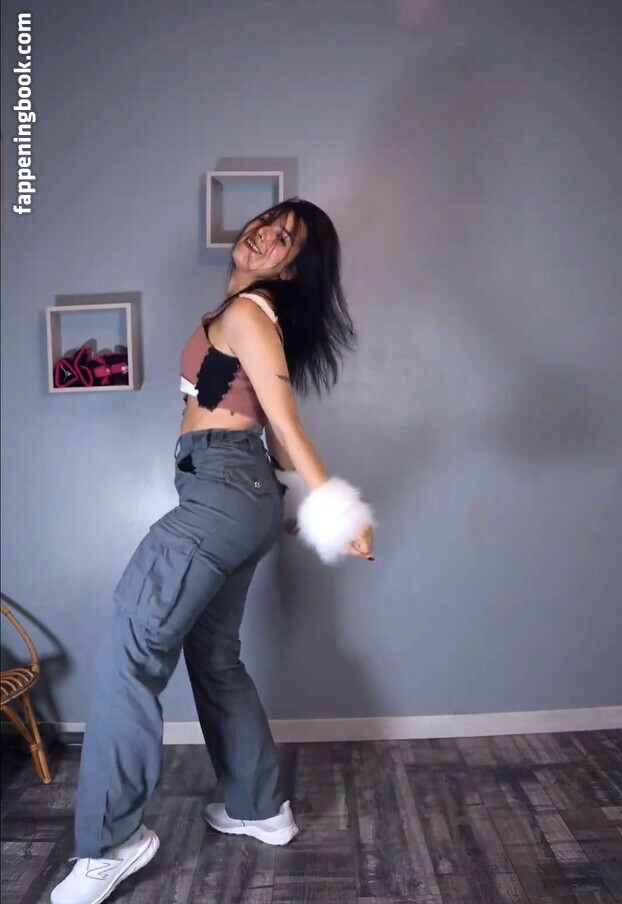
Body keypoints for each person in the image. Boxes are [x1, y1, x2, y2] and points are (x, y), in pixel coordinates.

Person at [51, 198, 375, 904]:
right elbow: (267, 426)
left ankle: (110, 843)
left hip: (221, 493)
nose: (263, 235)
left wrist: (333, 508)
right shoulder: (242, 314)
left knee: (131, 651)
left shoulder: (249, 315)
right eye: (267, 222)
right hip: (237, 493)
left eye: (283, 240)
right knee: (215, 657)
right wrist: (290, 496)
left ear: (291, 269)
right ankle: (259, 809)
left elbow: (285, 420)